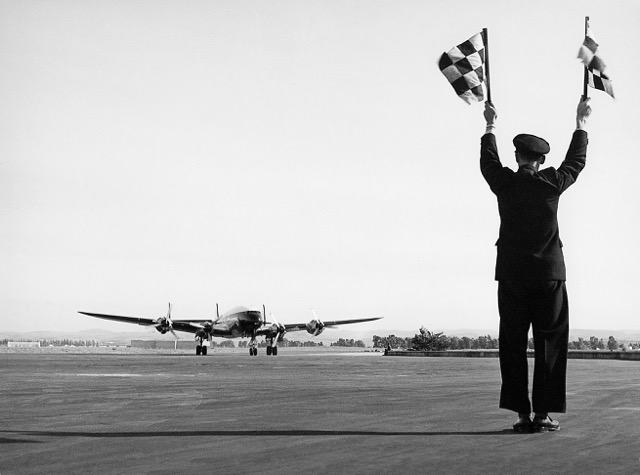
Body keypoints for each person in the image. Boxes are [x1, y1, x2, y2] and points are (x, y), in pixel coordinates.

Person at [480, 97, 592, 432]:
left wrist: (490, 124)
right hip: (548, 277)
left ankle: (521, 414)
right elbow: (576, 162)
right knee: (550, 345)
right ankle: (543, 413)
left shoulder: (504, 183)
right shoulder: (551, 184)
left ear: (517, 157)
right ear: (542, 161)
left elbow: (487, 162)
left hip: (512, 277)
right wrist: (580, 122)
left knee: (512, 345)